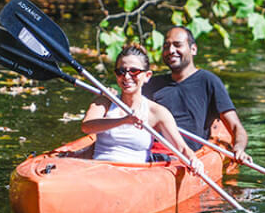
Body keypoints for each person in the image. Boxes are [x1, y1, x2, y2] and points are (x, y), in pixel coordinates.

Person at [81, 43, 203, 174]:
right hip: (98, 170)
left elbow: (181, 148)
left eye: (134, 71)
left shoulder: (156, 112)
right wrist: (124, 120)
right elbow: (87, 127)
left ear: (147, 76)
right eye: (121, 71)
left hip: (135, 175)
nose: (127, 77)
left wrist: (193, 159)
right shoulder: (105, 102)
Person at [142, 26, 252, 164]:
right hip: (150, 152)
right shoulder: (151, 84)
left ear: (193, 49)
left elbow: (236, 127)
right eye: (166, 46)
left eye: (177, 45)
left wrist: (239, 148)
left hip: (184, 156)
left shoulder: (208, 81)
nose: (170, 51)